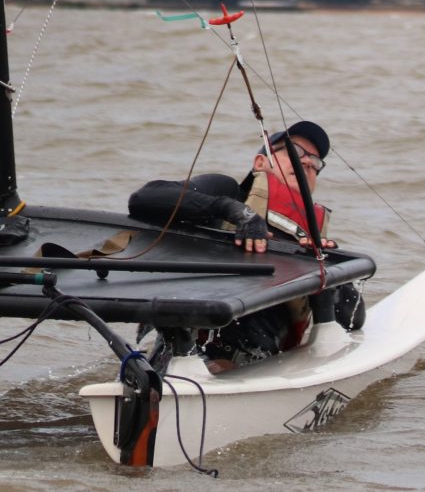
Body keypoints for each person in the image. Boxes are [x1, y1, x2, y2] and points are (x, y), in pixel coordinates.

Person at [128, 119, 364, 369]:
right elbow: (144, 199)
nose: (306, 162)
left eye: (315, 163)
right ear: (260, 163)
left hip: (258, 365)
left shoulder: (311, 236)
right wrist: (235, 212)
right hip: (188, 352)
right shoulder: (226, 192)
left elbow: (353, 320)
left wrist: (323, 266)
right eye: (295, 152)